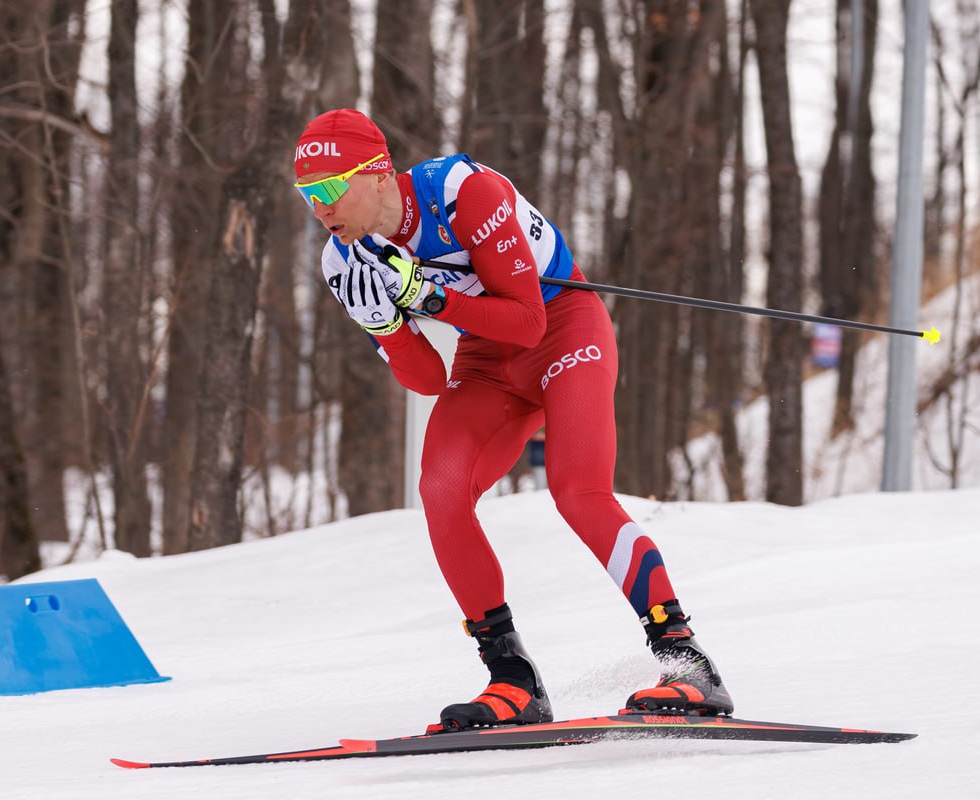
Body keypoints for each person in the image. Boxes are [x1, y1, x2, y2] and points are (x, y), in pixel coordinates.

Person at [292, 108, 733, 731]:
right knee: (442, 491)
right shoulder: (344, 262)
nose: (320, 208)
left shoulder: (461, 193)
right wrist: (387, 325)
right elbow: (429, 379)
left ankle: (687, 662)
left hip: (563, 328)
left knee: (577, 491)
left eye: (330, 188)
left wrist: (429, 296)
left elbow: (527, 322)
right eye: (307, 194)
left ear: (379, 173)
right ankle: (513, 679)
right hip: (485, 359)